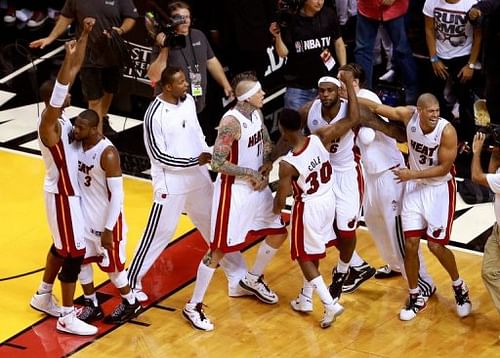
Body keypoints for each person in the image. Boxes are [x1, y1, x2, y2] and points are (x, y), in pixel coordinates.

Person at [127, 66, 247, 303]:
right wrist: (194, 159)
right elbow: (158, 156)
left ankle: (239, 275)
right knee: (159, 232)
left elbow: (197, 134)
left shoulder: (189, 101)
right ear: (168, 86)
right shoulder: (154, 115)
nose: (186, 84)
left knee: (216, 225)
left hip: (198, 176)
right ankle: (130, 282)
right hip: (171, 183)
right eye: (181, 82)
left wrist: (208, 155)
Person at [182, 71, 288, 331]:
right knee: (217, 250)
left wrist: (266, 164)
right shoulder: (231, 122)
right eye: (259, 92)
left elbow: (264, 141)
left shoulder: (256, 113)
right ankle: (193, 306)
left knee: (278, 232)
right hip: (234, 193)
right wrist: (250, 172)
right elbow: (217, 163)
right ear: (249, 97)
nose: (264, 94)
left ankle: (251, 279)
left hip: (256, 189)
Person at [360, 93, 472, 321]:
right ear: (419, 111)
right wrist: (350, 96)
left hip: (439, 190)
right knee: (410, 245)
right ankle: (415, 296)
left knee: (435, 246)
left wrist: (412, 174)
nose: (435, 115)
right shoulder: (407, 116)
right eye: (430, 111)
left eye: (437, 111)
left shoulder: (447, 131)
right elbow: (378, 107)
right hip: (414, 189)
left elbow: (443, 168)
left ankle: (459, 286)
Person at [338, 63, 436, 297]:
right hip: (369, 175)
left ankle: (424, 281)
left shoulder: (365, 98)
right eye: (339, 81)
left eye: (344, 82)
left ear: (355, 83)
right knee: (374, 223)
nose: (340, 87)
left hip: (390, 173)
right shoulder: (345, 105)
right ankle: (394, 265)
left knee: (398, 231)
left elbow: (371, 133)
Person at [273, 71, 361, 327]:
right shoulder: (318, 138)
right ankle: (305, 297)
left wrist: (274, 208)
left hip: (308, 206)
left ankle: (330, 304)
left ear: (281, 129)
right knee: (315, 249)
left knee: (302, 255)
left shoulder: (287, 165)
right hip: (327, 198)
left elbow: (283, 197)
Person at [33, 17, 97, 336]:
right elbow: (61, 88)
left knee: (62, 247)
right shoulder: (49, 124)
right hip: (61, 195)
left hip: (69, 195)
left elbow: (71, 74)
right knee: (74, 253)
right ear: (53, 103)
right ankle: (68, 315)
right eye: (63, 95)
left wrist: (83, 37)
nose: (70, 94)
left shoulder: (64, 120)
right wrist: (67, 64)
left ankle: (44, 295)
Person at [299, 75, 375, 302]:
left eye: (330, 90)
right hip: (323, 174)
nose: (325, 95)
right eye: (321, 91)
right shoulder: (309, 110)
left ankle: (342, 274)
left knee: (346, 229)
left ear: (338, 91)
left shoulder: (351, 111)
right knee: (322, 228)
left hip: (346, 173)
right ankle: (355, 267)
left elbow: (356, 118)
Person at [71, 109, 142, 324]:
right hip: (84, 219)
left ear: (94, 129)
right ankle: (92, 303)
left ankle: (131, 302)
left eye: (81, 127)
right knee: (81, 262)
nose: (76, 130)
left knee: (114, 270)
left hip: (106, 223)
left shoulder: (107, 153)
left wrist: (109, 229)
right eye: (76, 125)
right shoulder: (77, 144)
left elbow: (118, 195)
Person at [29, 0, 138, 135]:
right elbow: (66, 17)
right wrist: (50, 38)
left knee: (109, 91)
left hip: (113, 54)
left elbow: (131, 17)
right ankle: (96, 137)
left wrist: (121, 30)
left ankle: (101, 120)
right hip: (87, 55)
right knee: (94, 100)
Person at [147, 1, 232, 143]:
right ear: (170, 21)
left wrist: (225, 84)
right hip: (173, 110)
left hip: (198, 105)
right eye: (179, 17)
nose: (185, 21)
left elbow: (211, 61)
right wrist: (164, 49)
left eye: (187, 17)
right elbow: (153, 76)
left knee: (202, 145)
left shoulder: (198, 35)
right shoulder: (163, 41)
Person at [269, 0, 347, 110]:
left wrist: (343, 68)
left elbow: (338, 43)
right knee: (295, 124)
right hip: (299, 86)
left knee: (330, 124)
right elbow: (283, 53)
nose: (320, 2)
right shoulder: (290, 19)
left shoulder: (328, 14)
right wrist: (277, 36)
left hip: (327, 83)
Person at [423, 0, 482, 143]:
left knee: (465, 100)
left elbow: (478, 36)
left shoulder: (472, 3)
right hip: (440, 55)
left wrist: (471, 65)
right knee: (435, 96)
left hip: (463, 56)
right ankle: (442, 131)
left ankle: (467, 140)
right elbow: (429, 29)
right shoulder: (431, 2)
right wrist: (434, 59)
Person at [354, 0, 418, 104]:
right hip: (368, 6)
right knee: (362, 51)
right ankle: (364, 94)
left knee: (402, 50)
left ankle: (412, 94)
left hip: (395, 7)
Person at [471, 131, 500, 317]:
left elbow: (477, 177)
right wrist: (495, 154)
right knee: (489, 272)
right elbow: (491, 173)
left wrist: (476, 152)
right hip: (498, 230)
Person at [468, 0, 500, 125]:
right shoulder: (496, 5)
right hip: (495, 63)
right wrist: (474, 12)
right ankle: (496, 131)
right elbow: (483, 7)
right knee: (493, 98)